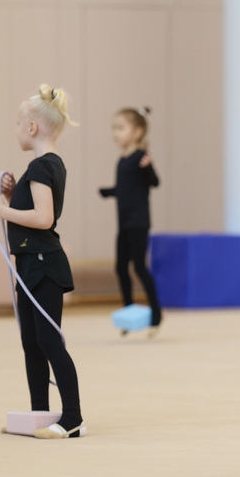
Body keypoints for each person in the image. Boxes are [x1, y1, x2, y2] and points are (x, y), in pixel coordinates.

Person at [0, 84, 85, 438]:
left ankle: (72, 418)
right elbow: (36, 210)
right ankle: (40, 414)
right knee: (32, 341)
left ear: (32, 128)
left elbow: (44, 218)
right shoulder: (42, 167)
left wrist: (2, 209)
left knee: (48, 340)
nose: (16, 130)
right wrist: (13, 196)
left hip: (44, 264)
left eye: (17, 124)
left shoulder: (43, 166)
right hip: (29, 264)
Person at [99, 107, 162, 337]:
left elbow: (155, 182)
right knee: (120, 267)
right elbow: (125, 190)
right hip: (123, 224)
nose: (115, 133)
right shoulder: (121, 161)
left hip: (138, 222)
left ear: (137, 132)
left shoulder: (140, 158)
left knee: (139, 267)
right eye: (114, 128)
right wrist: (109, 192)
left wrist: (147, 169)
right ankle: (128, 312)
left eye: (121, 127)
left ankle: (156, 313)